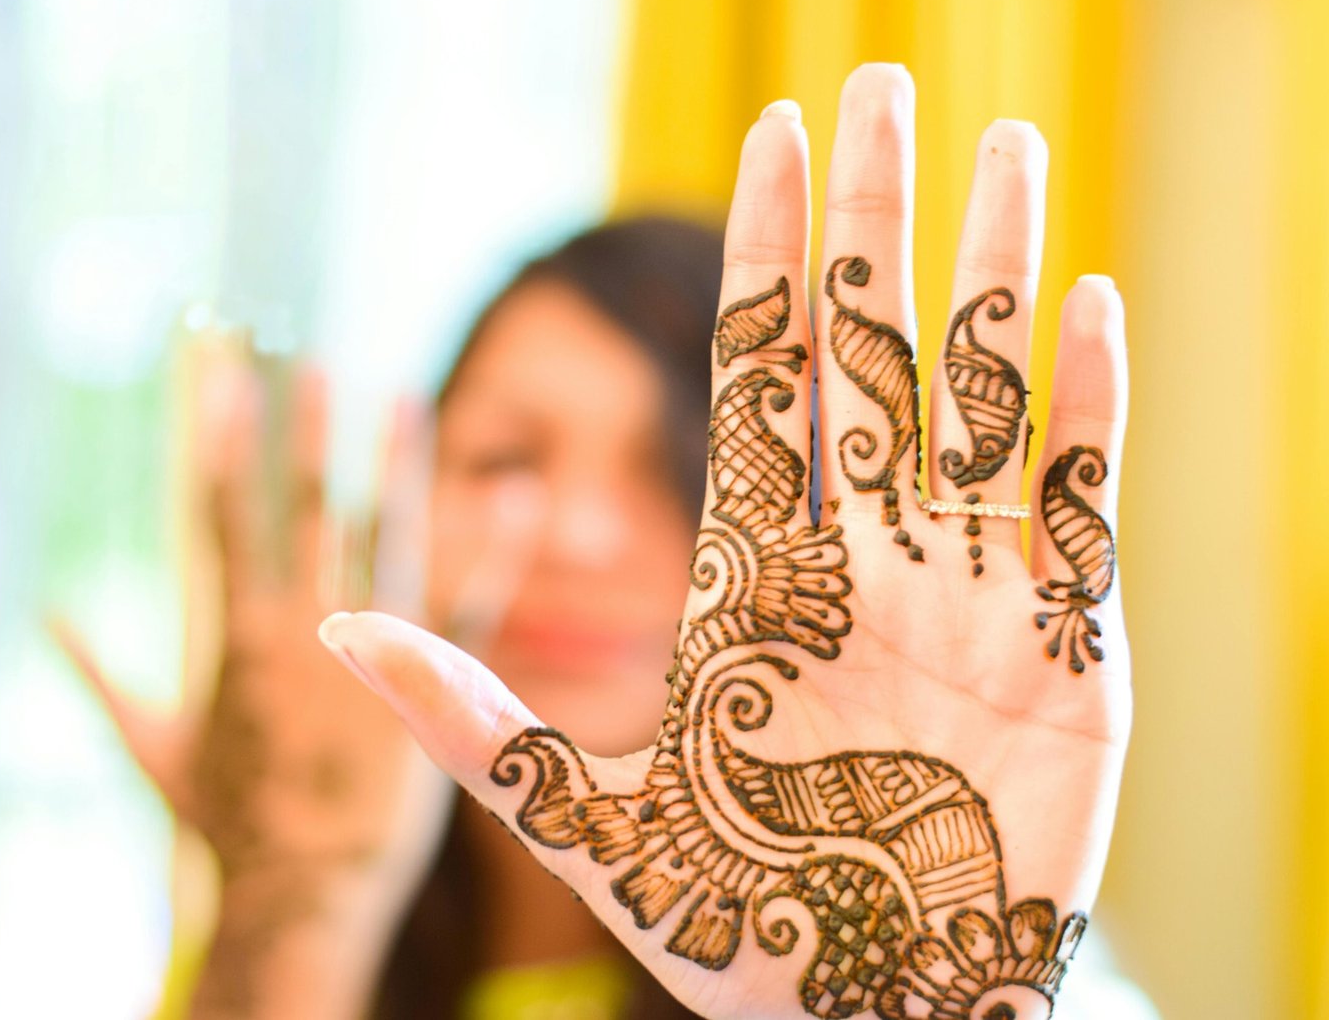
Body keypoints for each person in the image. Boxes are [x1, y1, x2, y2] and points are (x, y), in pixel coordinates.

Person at [62, 64, 1138, 1019]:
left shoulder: (1003, 987)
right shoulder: (274, 943)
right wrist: (297, 900)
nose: (575, 536)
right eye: (503, 459)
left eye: (681, 466)